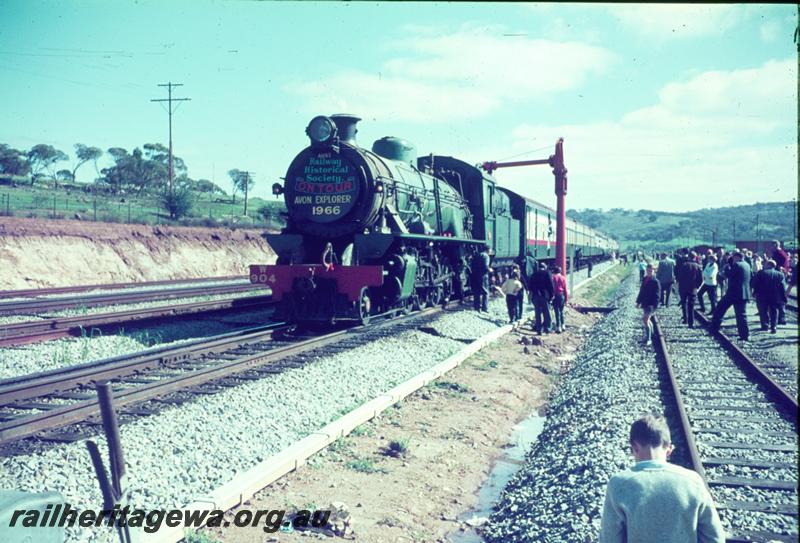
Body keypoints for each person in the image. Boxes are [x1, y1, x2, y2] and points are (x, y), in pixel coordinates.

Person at [599, 415, 725, 543]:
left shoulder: (619, 483)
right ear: (669, 449)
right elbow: (715, 538)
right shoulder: (693, 481)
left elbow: (609, 539)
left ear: (634, 448)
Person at [710, 250, 751, 341]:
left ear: (737, 257)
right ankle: (745, 335)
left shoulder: (736, 265)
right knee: (742, 315)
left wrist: (727, 268)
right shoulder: (747, 265)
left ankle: (714, 327)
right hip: (743, 294)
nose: (732, 260)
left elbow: (728, 274)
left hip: (733, 293)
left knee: (720, 308)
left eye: (733, 258)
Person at [751, 260, 787, 333]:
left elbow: (754, 284)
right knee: (774, 311)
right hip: (775, 296)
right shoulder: (780, 274)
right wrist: (783, 297)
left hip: (762, 295)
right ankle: (774, 326)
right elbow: (783, 287)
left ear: (768, 265)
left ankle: (765, 325)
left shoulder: (761, 273)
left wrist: (754, 292)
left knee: (763, 310)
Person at [676, 251, 703, 328]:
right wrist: (697, 287)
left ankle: (685, 319)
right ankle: (691, 323)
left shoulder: (684, 265)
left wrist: (680, 284)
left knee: (684, 303)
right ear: (695, 257)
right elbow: (700, 279)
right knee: (691, 305)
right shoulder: (698, 266)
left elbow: (679, 277)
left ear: (688, 257)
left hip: (683, 288)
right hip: (693, 289)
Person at [635, 264, 660, 345]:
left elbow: (657, 295)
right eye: (648, 270)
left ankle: (649, 339)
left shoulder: (655, 281)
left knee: (645, 320)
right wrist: (638, 302)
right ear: (646, 270)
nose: (649, 272)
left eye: (651, 271)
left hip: (651, 304)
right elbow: (641, 291)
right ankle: (652, 335)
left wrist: (654, 306)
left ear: (654, 271)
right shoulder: (645, 279)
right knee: (647, 320)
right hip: (645, 303)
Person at [528, 262, 554, 334]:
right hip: (544, 296)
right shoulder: (547, 273)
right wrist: (552, 295)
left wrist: (531, 297)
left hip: (536, 296)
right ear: (545, 267)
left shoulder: (533, 274)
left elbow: (530, 287)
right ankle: (547, 328)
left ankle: (539, 330)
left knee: (537, 313)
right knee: (546, 313)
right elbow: (550, 285)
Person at [470, 245, 491, 312]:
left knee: (477, 291)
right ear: (488, 250)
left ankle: (477, 307)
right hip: (483, 276)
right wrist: (490, 270)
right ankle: (485, 308)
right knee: (485, 292)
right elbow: (485, 266)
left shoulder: (477, 255)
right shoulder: (486, 256)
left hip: (475, 275)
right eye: (490, 250)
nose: (491, 251)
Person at [551, 265, 569, 333]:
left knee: (556, 312)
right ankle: (563, 325)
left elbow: (552, 288)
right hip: (561, 295)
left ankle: (558, 327)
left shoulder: (553, 278)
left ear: (554, 271)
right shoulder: (563, 278)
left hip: (555, 296)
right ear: (560, 271)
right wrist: (566, 299)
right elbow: (565, 289)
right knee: (561, 311)